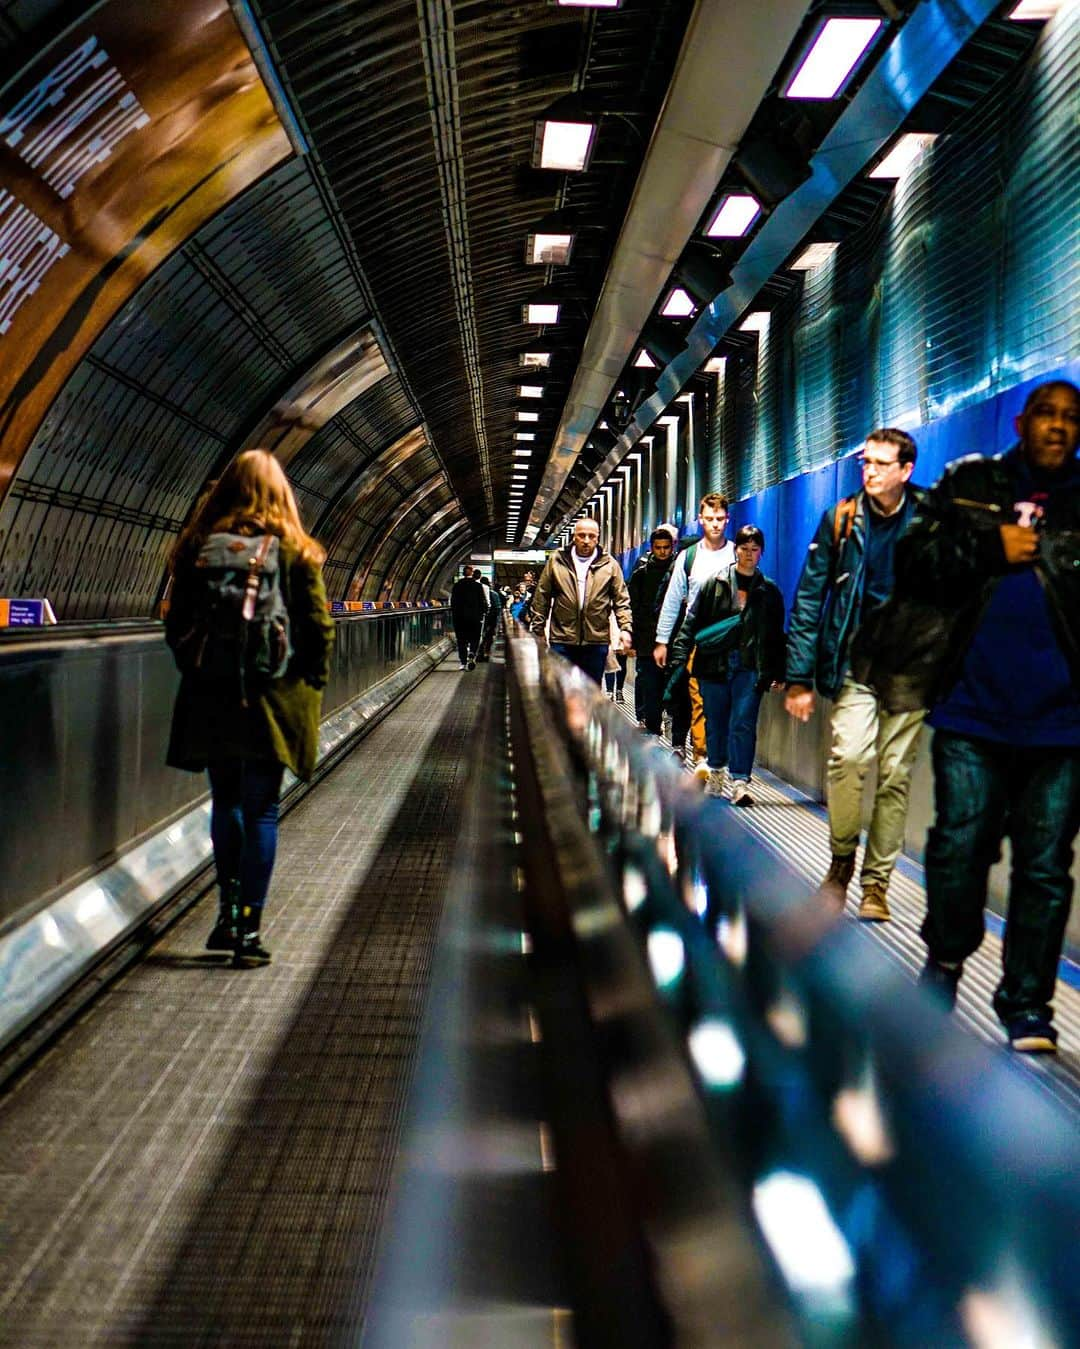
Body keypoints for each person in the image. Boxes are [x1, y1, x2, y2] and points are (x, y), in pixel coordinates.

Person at [858, 381, 1080, 1052]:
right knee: (959, 851)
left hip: (1063, 723)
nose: (1058, 427)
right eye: (1048, 414)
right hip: (972, 712)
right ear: (1022, 421)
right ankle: (948, 956)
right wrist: (989, 549)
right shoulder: (971, 483)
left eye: (1072, 419)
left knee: (1044, 867)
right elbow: (914, 562)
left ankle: (1027, 1004)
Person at [165, 449, 335, 966]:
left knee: (228, 803)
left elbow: (176, 625)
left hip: (214, 698)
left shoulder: (196, 548)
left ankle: (224, 911)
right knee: (263, 809)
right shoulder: (297, 551)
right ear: (281, 491)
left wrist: (203, 672)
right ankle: (248, 928)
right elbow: (318, 627)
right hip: (273, 699)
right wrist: (309, 685)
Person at [785, 429, 924, 922]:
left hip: (909, 669)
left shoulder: (931, 520)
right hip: (854, 665)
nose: (869, 471)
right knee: (849, 758)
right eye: (866, 462)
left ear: (905, 471)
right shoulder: (840, 520)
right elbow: (808, 597)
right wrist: (798, 677)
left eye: (881, 464)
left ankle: (876, 884)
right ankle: (842, 860)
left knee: (895, 776)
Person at [668, 525, 785, 803]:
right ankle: (717, 768)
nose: (748, 555)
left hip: (749, 667)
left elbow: (776, 635)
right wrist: (679, 657)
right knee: (716, 722)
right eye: (744, 549)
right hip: (714, 665)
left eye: (754, 550)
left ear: (761, 554)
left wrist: (779, 672)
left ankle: (741, 780)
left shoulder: (768, 591)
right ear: (736, 550)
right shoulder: (715, 583)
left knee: (743, 723)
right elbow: (692, 621)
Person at [654, 494, 736, 774]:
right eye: (709, 519)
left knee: (723, 700)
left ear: (727, 519)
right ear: (700, 520)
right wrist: (662, 641)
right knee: (696, 695)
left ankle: (716, 753)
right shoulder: (688, 558)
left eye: (720, 519)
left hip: (729, 639)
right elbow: (672, 600)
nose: (715, 524)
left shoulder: (739, 554)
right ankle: (702, 756)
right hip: (695, 638)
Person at [529, 516, 632, 683]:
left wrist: (625, 628)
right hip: (562, 640)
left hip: (596, 641)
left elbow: (622, 600)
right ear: (573, 537)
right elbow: (542, 596)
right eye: (581, 535)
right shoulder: (557, 560)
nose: (586, 540)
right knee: (562, 691)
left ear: (598, 538)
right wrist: (538, 629)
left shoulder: (609, 565)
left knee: (591, 693)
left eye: (591, 536)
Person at [627, 528, 675, 732]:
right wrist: (632, 640)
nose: (663, 552)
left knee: (671, 688)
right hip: (647, 641)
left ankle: (665, 722)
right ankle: (649, 723)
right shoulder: (640, 576)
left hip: (673, 642)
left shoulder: (678, 573)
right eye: (658, 548)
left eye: (666, 547)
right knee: (650, 687)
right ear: (651, 548)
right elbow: (633, 609)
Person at [450, 565, 487, 669]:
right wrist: (482, 614)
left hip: (460, 619)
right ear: (472, 573)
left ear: (463, 573)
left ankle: (462, 662)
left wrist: (455, 616)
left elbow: (453, 603)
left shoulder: (457, 585)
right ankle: (472, 652)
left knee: (461, 640)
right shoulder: (478, 586)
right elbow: (482, 602)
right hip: (475, 618)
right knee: (475, 637)